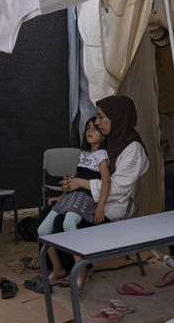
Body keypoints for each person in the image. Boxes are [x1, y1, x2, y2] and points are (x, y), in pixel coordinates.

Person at [45, 95, 149, 290]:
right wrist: (71, 183)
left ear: (117, 117)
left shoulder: (133, 149)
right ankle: (61, 267)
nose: (97, 123)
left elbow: (118, 189)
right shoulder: (111, 140)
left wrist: (81, 184)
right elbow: (91, 170)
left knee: (61, 223)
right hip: (94, 197)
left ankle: (81, 268)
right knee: (48, 211)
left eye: (101, 117)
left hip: (113, 205)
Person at [38, 117, 110, 238]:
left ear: (103, 136)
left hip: (85, 197)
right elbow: (73, 179)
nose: (89, 131)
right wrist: (60, 197)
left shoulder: (102, 154)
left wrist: (100, 208)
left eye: (95, 129)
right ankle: (56, 258)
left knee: (68, 224)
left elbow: (106, 182)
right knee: (42, 231)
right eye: (88, 128)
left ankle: (79, 256)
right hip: (71, 196)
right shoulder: (83, 155)